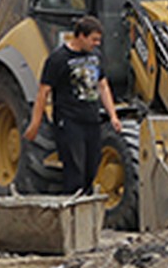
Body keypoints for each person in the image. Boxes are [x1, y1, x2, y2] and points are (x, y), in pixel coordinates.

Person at [24, 16, 122, 194]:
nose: (97, 43)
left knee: (92, 168)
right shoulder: (58, 59)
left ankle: (86, 210)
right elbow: (43, 93)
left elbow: (103, 86)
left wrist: (113, 115)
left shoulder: (96, 56)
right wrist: (35, 123)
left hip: (91, 119)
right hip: (69, 122)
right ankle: (72, 211)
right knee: (75, 170)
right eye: (93, 39)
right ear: (81, 36)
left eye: (99, 40)